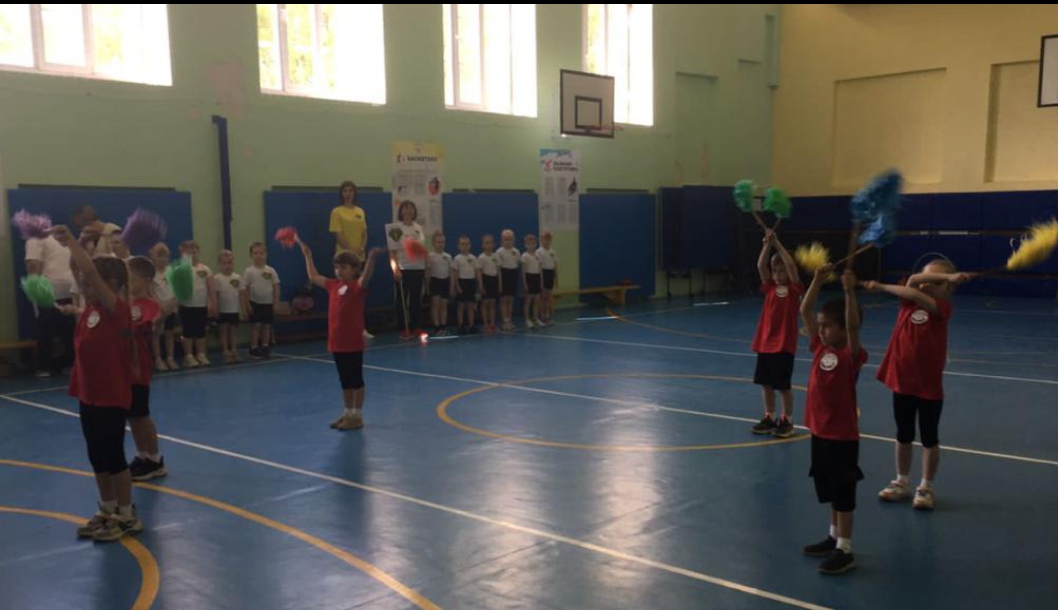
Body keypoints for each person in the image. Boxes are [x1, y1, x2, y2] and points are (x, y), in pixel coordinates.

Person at [50, 225, 143, 542]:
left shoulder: (117, 310)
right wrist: (78, 243)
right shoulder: (91, 308)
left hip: (110, 396)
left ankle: (127, 516)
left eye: (91, 284)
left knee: (113, 457)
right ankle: (107, 508)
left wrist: (71, 242)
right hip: (88, 395)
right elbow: (80, 269)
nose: (84, 286)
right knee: (96, 455)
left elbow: (87, 269)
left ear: (111, 285)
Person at [865, 259, 975, 510]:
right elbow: (913, 284)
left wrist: (880, 286)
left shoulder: (942, 308)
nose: (927, 285)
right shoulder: (908, 303)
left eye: (936, 282)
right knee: (903, 434)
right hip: (902, 382)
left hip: (928, 386)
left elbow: (915, 290)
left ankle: (926, 486)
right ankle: (901, 481)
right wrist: (945, 277)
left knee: (929, 438)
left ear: (948, 289)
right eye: (926, 279)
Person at [799, 265, 866, 575]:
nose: (821, 330)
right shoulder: (818, 347)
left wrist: (849, 292)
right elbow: (805, 310)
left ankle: (845, 549)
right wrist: (816, 279)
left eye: (827, 326)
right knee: (829, 490)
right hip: (820, 432)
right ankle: (833, 536)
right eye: (821, 326)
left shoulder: (850, 356)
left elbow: (853, 327)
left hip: (842, 438)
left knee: (844, 494)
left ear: (842, 329)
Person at [299, 240, 382, 430]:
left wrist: (370, 260)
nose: (338, 271)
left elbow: (366, 277)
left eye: (343, 267)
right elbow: (314, 276)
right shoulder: (333, 285)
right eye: (336, 267)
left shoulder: (357, 287)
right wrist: (307, 255)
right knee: (344, 381)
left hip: (353, 343)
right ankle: (347, 412)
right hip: (337, 342)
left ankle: (357, 416)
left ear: (354, 269)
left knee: (356, 380)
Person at [750, 230, 803, 438]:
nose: (779, 274)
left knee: (783, 386)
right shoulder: (770, 287)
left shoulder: (795, 289)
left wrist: (777, 243)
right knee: (765, 383)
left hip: (783, 345)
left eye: (782, 271)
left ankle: (787, 420)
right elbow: (760, 266)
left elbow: (791, 265)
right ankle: (770, 416)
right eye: (775, 271)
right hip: (765, 343)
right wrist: (767, 245)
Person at [125, 256, 167, 481]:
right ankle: (142, 455)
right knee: (132, 416)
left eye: (132, 278)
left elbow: (148, 327)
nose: (128, 283)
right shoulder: (126, 303)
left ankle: (155, 459)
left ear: (146, 280)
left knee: (141, 415)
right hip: (124, 367)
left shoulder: (150, 306)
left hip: (139, 368)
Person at [25, 231, 76, 377]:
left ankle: (44, 367)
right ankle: (69, 364)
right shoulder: (61, 239)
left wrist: (34, 290)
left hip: (49, 288)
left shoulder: (33, 239)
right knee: (69, 329)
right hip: (70, 287)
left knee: (45, 329)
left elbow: (33, 264)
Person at [329, 180, 373, 340]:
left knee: (358, 295)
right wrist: (351, 250)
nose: (348, 194)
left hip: (359, 258)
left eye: (350, 191)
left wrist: (361, 247)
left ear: (354, 193)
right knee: (343, 295)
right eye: (345, 191)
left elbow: (364, 232)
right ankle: (343, 328)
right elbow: (338, 234)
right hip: (344, 258)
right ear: (341, 194)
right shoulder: (337, 212)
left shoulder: (360, 211)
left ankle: (360, 328)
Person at [389, 200, 427, 339]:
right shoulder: (395, 228)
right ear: (401, 211)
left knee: (416, 299)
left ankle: (416, 327)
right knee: (402, 300)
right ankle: (403, 328)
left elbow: (422, 249)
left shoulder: (419, 228)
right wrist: (395, 270)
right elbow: (392, 253)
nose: (408, 211)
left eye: (411, 208)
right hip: (403, 268)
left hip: (418, 268)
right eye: (405, 208)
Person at [177, 240, 216, 367]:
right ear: (183, 253)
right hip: (186, 306)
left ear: (198, 252)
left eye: (194, 251)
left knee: (200, 331)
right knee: (187, 332)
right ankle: (188, 356)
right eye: (188, 251)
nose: (192, 254)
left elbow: (211, 287)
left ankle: (201, 354)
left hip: (201, 305)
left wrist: (212, 302)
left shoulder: (205, 269)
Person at [243, 242, 280, 359]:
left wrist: (276, 302)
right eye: (255, 253)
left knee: (266, 326)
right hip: (255, 302)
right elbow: (246, 289)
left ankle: (265, 346)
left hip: (268, 302)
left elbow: (276, 287)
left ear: (266, 254)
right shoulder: (249, 271)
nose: (259, 256)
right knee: (255, 326)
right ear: (251, 255)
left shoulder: (271, 271)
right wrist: (247, 304)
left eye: (261, 253)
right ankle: (254, 347)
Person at [214, 250, 244, 363]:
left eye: (230, 263)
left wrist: (243, 309)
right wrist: (216, 308)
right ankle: (225, 351)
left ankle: (234, 350)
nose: (227, 266)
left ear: (233, 263)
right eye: (225, 263)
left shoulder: (237, 277)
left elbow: (241, 294)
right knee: (223, 332)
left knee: (233, 332)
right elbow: (216, 295)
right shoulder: (217, 278)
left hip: (234, 310)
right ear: (220, 264)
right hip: (222, 310)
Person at [426, 231, 452, 335]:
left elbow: (450, 272)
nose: (441, 244)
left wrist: (451, 285)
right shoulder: (430, 256)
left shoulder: (448, 256)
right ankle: (437, 327)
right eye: (438, 242)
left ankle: (443, 326)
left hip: (445, 281)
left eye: (443, 242)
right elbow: (428, 272)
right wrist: (427, 285)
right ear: (433, 243)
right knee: (435, 305)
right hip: (435, 281)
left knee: (444, 306)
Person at [476, 234, 501, 333]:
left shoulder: (496, 256)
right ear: (483, 245)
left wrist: (500, 284)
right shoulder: (481, 257)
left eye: (490, 243)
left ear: (493, 244)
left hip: (494, 280)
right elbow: (479, 272)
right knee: (485, 303)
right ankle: (485, 325)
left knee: (493, 303)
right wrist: (481, 285)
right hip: (485, 280)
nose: (489, 245)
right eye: (486, 243)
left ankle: (492, 324)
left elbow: (498, 271)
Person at [452, 235, 478, 334]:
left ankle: (471, 325)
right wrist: (457, 285)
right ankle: (461, 326)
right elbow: (455, 273)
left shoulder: (473, 258)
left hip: (471, 282)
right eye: (462, 244)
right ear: (458, 246)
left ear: (470, 245)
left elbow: (476, 272)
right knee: (461, 306)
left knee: (471, 305)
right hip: (462, 282)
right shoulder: (457, 258)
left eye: (466, 244)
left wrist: (477, 284)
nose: (464, 246)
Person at [496, 229, 521, 332]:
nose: (507, 242)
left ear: (513, 240)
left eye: (509, 239)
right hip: (504, 274)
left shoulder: (516, 251)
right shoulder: (499, 252)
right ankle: (504, 321)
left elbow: (518, 264)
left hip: (513, 274)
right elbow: (498, 268)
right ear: (502, 240)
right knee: (504, 299)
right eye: (505, 239)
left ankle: (509, 320)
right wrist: (500, 282)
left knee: (510, 299)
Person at [521, 234, 543, 329]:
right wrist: (525, 283)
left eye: (533, 243)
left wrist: (541, 280)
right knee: (528, 300)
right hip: (529, 277)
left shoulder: (538, 255)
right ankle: (527, 320)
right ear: (525, 245)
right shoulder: (524, 256)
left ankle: (536, 318)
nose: (531, 245)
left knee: (537, 299)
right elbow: (523, 271)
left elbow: (540, 269)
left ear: (536, 244)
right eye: (528, 244)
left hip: (537, 277)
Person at [537, 231, 558, 326]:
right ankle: (542, 316)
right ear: (541, 240)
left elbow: (555, 266)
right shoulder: (539, 252)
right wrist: (541, 279)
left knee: (549, 297)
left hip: (550, 274)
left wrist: (556, 278)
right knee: (543, 296)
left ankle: (548, 315)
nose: (547, 241)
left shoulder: (552, 252)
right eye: (545, 239)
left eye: (548, 239)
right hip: (543, 273)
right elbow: (540, 267)